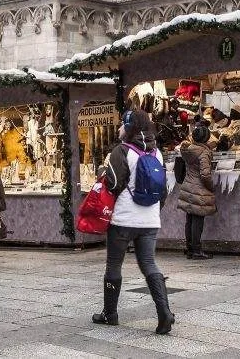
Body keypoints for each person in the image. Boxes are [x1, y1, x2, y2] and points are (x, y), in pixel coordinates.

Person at [92, 110, 174, 335]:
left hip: (124, 219)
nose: (119, 129)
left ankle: (110, 314)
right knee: (149, 264)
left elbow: (113, 184)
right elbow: (163, 190)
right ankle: (164, 312)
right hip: (150, 219)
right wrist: (152, 212)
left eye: (122, 125)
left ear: (129, 128)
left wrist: (102, 172)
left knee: (114, 265)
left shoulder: (122, 151)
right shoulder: (157, 153)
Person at [177, 123, 216, 259]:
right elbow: (205, 174)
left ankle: (190, 248)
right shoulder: (203, 153)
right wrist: (211, 187)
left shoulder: (189, 150)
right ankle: (197, 251)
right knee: (198, 220)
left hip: (188, 186)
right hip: (199, 189)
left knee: (190, 219)